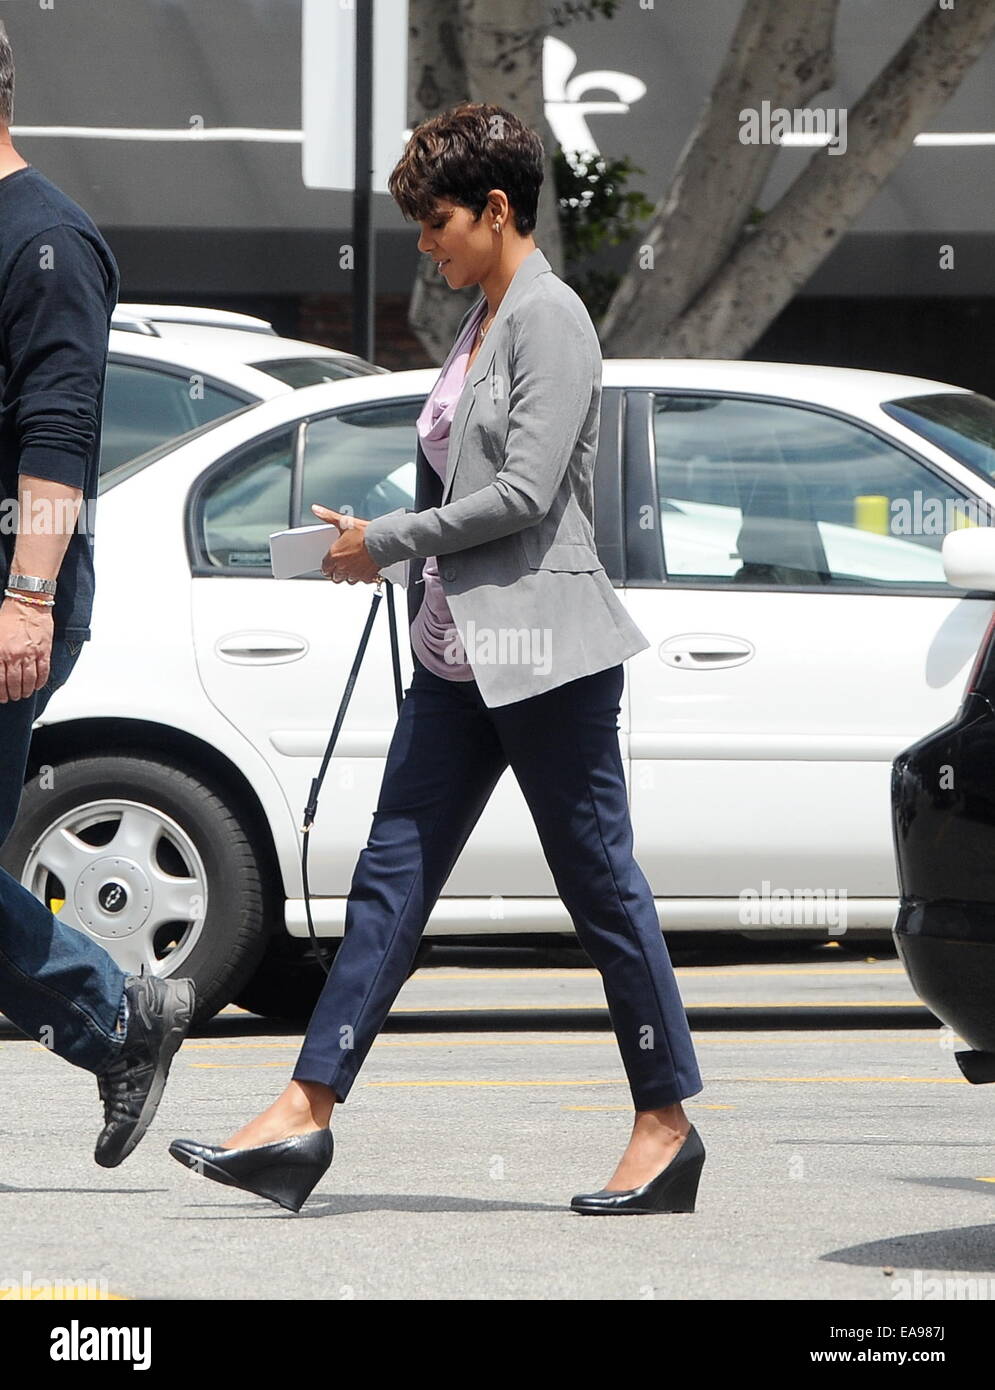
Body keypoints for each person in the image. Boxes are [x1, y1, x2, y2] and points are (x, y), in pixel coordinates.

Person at [170, 103, 704, 1215]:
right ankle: (303, 1113)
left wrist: (388, 543)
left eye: (439, 222)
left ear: (498, 209)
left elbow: (521, 494)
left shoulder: (549, 317)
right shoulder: (482, 320)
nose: (426, 243)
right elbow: (458, 478)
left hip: (542, 656)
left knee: (599, 885)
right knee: (389, 884)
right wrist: (365, 541)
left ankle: (665, 1125)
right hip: (456, 656)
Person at [0, 19, 194, 1167]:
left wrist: (25, 597)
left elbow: (57, 436)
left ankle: (115, 1011)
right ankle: (116, 1016)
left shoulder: (47, 244)